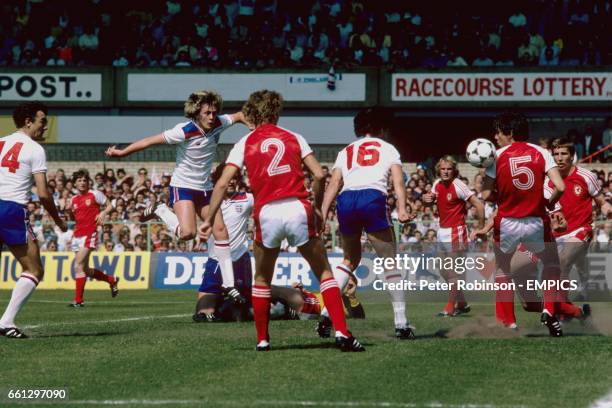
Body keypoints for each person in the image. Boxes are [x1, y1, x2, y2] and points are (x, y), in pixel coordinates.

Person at [200, 90, 364, 352]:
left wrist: (209, 219)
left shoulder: (246, 142)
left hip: (267, 212)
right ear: (276, 112)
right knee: (324, 273)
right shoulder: (294, 137)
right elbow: (320, 175)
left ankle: (263, 340)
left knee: (262, 279)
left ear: (253, 113)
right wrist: (319, 208)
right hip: (297, 207)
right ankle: (342, 333)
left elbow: (221, 183)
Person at [105, 90, 250, 303]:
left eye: (214, 112)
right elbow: (149, 141)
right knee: (188, 233)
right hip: (183, 187)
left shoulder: (220, 122)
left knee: (221, 232)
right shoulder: (183, 131)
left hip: (206, 188)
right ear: (196, 113)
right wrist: (122, 153)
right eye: (207, 112)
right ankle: (160, 209)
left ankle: (229, 285)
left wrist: (255, 126)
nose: (212, 116)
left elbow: (240, 115)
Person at [320, 107, 413, 339]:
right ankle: (401, 323)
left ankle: (325, 313)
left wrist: (321, 213)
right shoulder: (388, 148)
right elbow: (398, 181)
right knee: (389, 261)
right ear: (381, 128)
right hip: (372, 196)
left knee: (349, 260)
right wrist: (401, 208)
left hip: (347, 199)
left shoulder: (346, 150)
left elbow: (333, 183)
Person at [477, 110, 566, 336]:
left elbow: (486, 194)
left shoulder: (496, 156)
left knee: (502, 269)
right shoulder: (541, 152)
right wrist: (548, 202)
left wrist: (504, 196)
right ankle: (548, 308)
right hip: (536, 220)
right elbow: (561, 187)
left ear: (510, 132)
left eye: (498, 132)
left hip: (507, 221)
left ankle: (509, 323)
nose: (495, 137)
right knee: (552, 263)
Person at [0, 102, 68, 338]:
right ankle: (6, 322)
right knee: (34, 269)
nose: (45, 126)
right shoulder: (34, 149)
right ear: (28, 121)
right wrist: (58, 220)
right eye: (42, 121)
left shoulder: (0, 142)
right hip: (11, 210)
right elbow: (42, 193)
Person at [549, 137, 611, 307]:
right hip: (557, 233)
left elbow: (601, 201)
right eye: (556, 154)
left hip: (581, 229)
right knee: (579, 266)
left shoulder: (585, 176)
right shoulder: (548, 179)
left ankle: (562, 308)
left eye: (563, 154)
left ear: (572, 156)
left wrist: (608, 210)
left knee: (564, 262)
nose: (559, 158)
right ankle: (584, 296)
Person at [423, 155, 484, 317]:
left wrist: (480, 227)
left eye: (449, 169)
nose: (446, 172)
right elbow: (431, 201)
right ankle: (462, 302)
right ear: (438, 170)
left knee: (452, 272)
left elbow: (479, 204)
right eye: (443, 169)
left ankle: (450, 308)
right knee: (443, 270)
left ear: (454, 170)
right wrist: (426, 199)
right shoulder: (436, 184)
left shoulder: (459, 185)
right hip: (442, 230)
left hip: (456, 231)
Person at [193, 164, 254, 322]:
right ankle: (220, 302)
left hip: (239, 259)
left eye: (235, 178)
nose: (232, 181)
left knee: (240, 315)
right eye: (228, 178)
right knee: (202, 315)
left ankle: (280, 306)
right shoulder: (208, 201)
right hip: (216, 260)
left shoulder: (247, 199)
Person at [65, 170, 119, 307]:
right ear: (75, 183)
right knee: (85, 269)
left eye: (84, 180)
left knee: (78, 266)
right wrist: (67, 212)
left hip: (90, 234)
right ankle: (111, 280)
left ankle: (78, 301)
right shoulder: (73, 200)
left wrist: (103, 212)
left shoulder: (95, 194)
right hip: (77, 235)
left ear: (88, 182)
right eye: (79, 180)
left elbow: (111, 205)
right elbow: (74, 218)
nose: (82, 183)